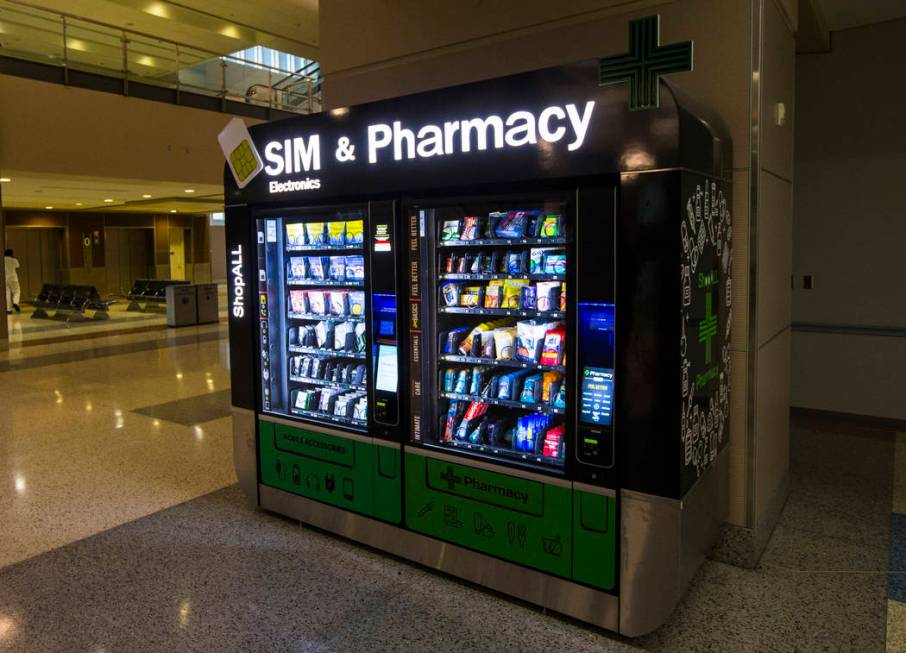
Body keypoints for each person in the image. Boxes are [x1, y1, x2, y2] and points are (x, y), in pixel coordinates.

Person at [4, 248, 20, 314]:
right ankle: (15, 302)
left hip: (5, 278)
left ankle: (8, 310)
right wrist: (13, 258)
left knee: (7, 293)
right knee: (17, 291)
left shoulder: (2, 259)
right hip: (13, 278)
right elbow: (18, 266)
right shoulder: (14, 260)